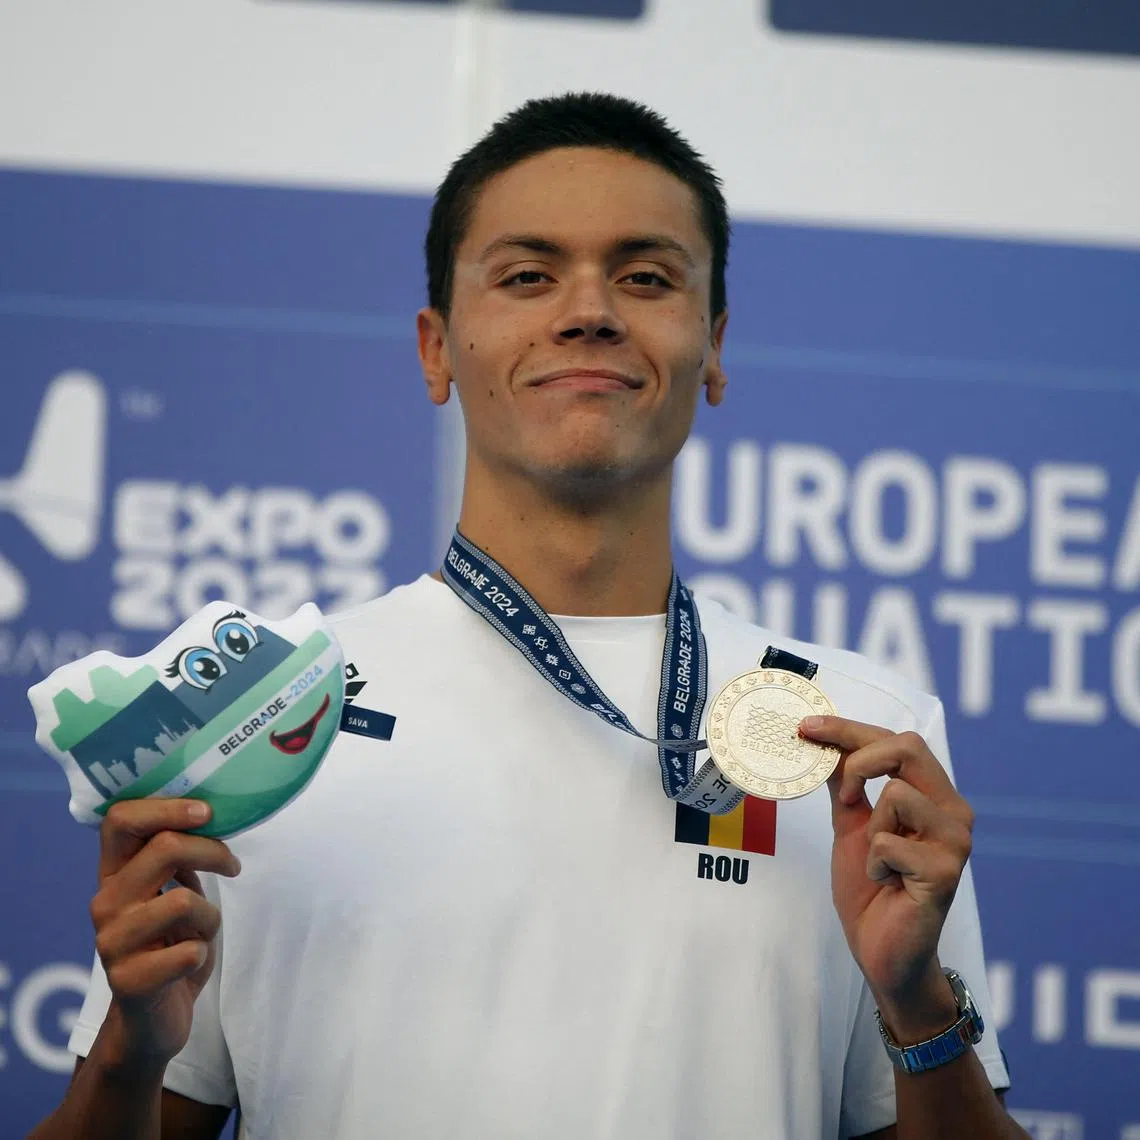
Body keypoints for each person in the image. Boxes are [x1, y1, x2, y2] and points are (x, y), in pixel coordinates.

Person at [32, 92, 1028, 1140]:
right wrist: (130, 1055)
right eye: (526, 276)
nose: (589, 311)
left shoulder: (855, 737)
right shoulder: (255, 729)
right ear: (436, 349)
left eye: (646, 277)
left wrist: (918, 1007)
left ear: (714, 346)